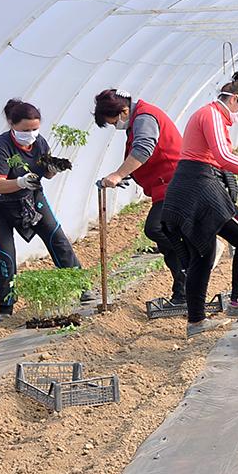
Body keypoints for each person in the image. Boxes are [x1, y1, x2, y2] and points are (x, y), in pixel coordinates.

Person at [161, 72, 238, 337]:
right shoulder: (212, 115)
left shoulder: (209, 116)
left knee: (202, 255)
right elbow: (224, 157)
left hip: (186, 183)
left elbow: (220, 158)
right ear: (233, 100)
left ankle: (196, 322)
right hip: (199, 184)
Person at [0, 99, 92, 321]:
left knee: (57, 238)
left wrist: (53, 169)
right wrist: (20, 182)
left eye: (35, 129)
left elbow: (44, 174)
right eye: (25, 130)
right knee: (4, 254)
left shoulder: (40, 143)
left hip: (29, 199)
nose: (31, 134)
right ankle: (6, 307)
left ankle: (81, 286)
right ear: (11, 124)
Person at [93, 89, 187, 312]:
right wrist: (128, 175)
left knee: (156, 229)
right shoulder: (137, 118)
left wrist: (118, 174)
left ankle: (196, 254)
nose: (116, 126)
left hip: (176, 182)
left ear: (124, 110)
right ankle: (183, 291)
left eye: (114, 121)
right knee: (165, 238)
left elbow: (144, 149)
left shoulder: (144, 117)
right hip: (165, 185)